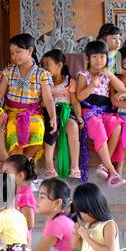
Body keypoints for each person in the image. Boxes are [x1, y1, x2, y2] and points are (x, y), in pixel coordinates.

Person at [0, 33, 57, 164]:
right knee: (13, 132)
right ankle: (18, 163)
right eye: (12, 53)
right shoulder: (9, 70)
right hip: (11, 112)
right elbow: (0, 91)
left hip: (32, 113)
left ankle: (26, 162)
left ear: (30, 51)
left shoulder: (42, 74)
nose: (15, 56)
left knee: (39, 128)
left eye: (18, 52)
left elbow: (48, 99)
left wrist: (53, 116)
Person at [76, 40, 126, 187]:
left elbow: (123, 90)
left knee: (117, 125)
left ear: (107, 58)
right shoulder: (83, 75)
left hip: (105, 111)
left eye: (102, 57)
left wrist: (110, 76)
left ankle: (103, 165)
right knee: (98, 127)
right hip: (89, 111)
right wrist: (92, 84)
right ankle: (112, 171)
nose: (99, 60)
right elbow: (80, 97)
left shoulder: (107, 75)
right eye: (95, 57)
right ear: (87, 58)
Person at [40, 50, 82, 179]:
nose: (44, 68)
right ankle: (49, 167)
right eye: (43, 64)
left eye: (48, 64)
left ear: (59, 65)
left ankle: (75, 167)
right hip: (50, 113)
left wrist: (79, 117)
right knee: (53, 127)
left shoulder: (70, 82)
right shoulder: (43, 82)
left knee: (72, 126)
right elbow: (41, 103)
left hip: (66, 112)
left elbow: (74, 102)